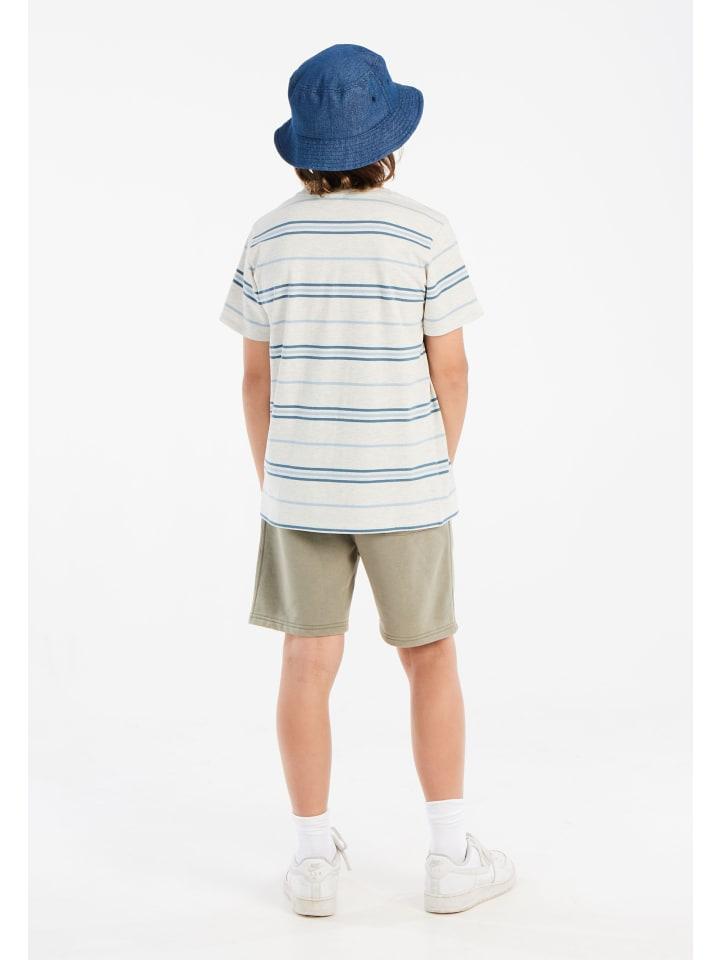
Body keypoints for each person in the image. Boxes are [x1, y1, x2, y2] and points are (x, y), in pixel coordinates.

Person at [219, 43, 515, 916]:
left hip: (299, 489)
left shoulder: (268, 235)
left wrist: (276, 479)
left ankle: (313, 862)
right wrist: (429, 465)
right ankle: (450, 856)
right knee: (430, 655)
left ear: (303, 146)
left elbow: (254, 380)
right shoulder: (424, 230)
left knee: (306, 660)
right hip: (407, 485)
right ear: (388, 138)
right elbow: (452, 370)